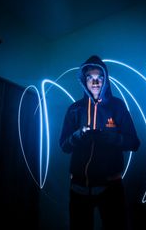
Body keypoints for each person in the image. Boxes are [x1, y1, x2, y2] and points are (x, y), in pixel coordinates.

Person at [59, 55, 140, 230]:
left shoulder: (117, 106)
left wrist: (111, 138)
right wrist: (78, 136)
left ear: (105, 79)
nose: (95, 82)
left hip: (111, 188)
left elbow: (134, 142)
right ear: (84, 80)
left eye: (99, 77)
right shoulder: (74, 109)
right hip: (78, 188)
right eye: (90, 77)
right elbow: (63, 145)